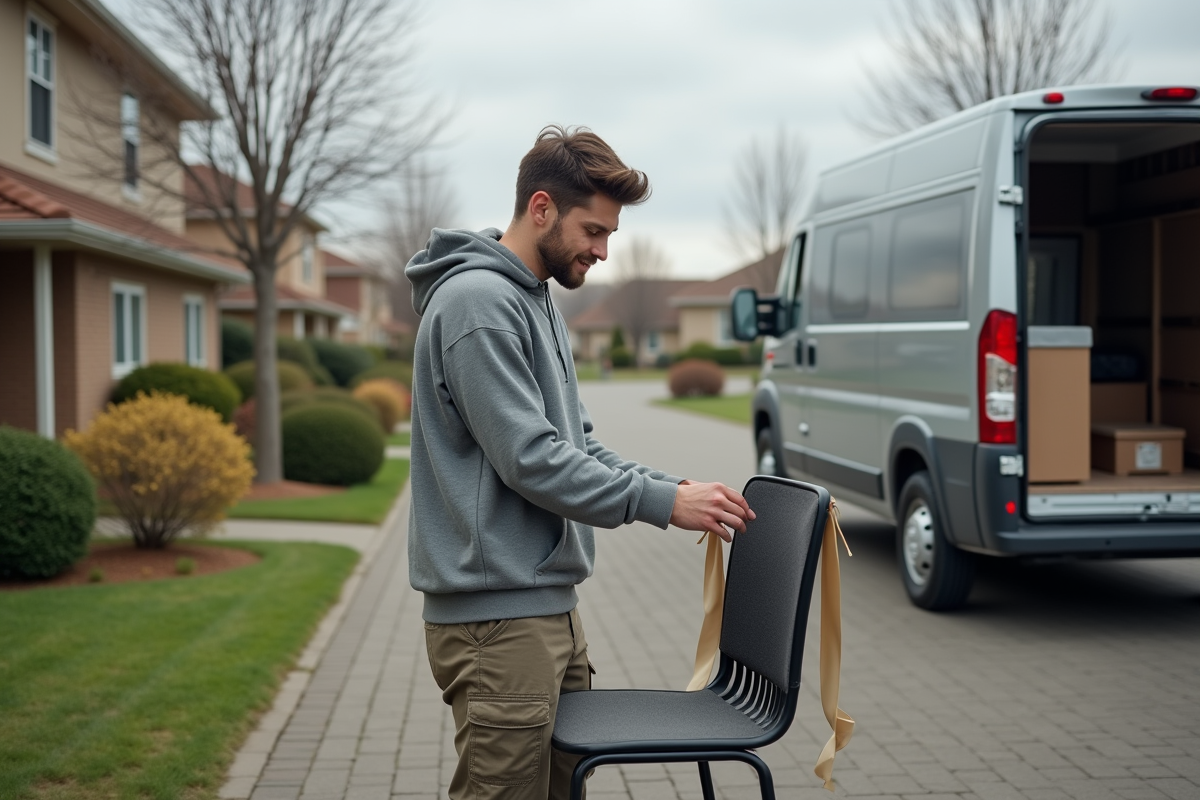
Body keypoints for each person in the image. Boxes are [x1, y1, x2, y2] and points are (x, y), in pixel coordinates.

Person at [405, 125, 755, 800]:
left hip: (545, 610)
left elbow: (576, 443)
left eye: (609, 236)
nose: (602, 251)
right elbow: (532, 461)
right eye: (593, 231)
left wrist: (673, 489)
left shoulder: (531, 299)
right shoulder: (480, 304)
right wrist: (659, 507)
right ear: (541, 209)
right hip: (498, 622)